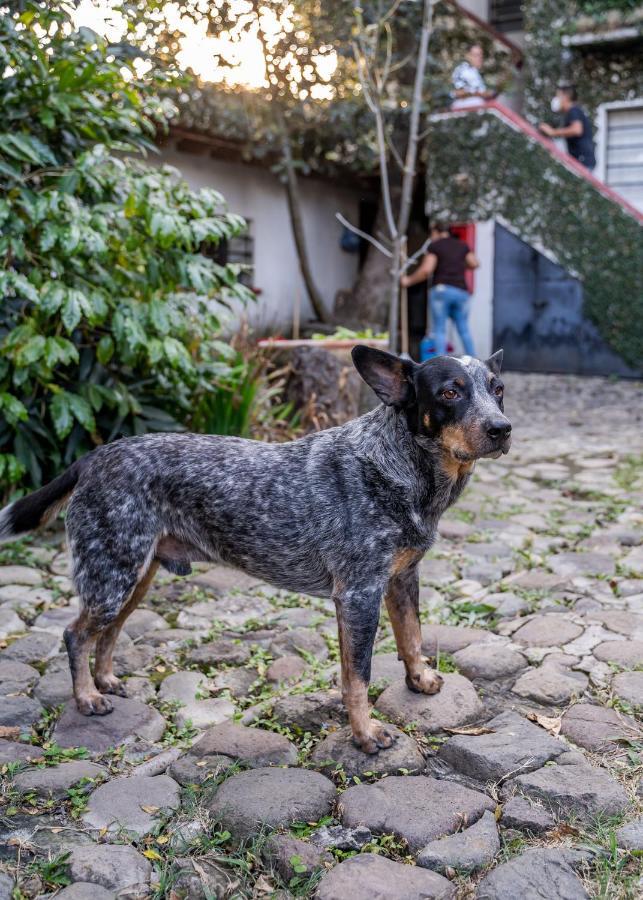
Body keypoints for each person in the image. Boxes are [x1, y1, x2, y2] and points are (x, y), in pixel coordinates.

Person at [401, 222, 479, 358]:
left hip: (442, 291)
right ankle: (477, 361)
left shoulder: (435, 246)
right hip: (461, 292)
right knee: (464, 330)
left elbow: (426, 270)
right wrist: (457, 265)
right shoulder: (461, 245)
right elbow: (474, 263)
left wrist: (408, 280)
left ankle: (442, 364)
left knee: (439, 330)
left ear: (435, 232)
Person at [539, 84, 596, 171]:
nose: (556, 99)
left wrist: (553, 132)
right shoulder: (572, 113)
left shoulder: (574, 111)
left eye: (558, 96)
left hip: (583, 161)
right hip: (582, 161)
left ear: (565, 97)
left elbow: (577, 130)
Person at [451, 44, 495, 109]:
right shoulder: (462, 70)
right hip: (466, 109)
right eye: (476, 55)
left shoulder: (475, 71)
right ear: (468, 56)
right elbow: (457, 93)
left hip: (477, 109)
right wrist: (480, 93)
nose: (479, 58)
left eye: (481, 55)